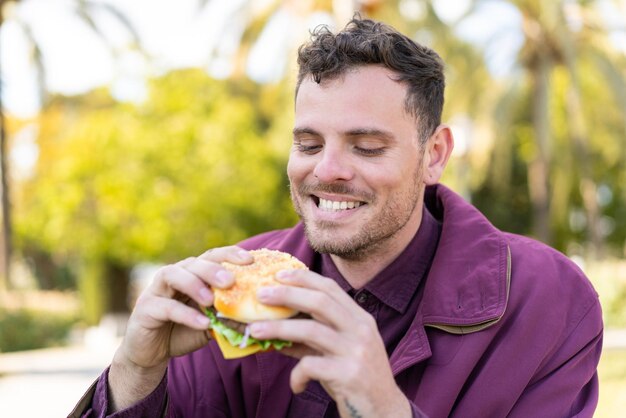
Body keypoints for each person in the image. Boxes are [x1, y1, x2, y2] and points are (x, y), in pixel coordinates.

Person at [70, 17, 603, 418]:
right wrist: (134, 374)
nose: (326, 171)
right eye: (307, 143)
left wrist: (383, 407)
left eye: (366, 147)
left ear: (434, 155)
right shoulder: (229, 289)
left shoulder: (549, 300)